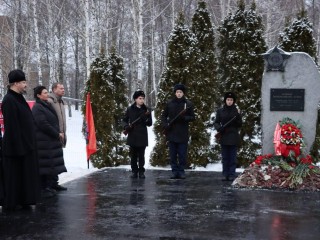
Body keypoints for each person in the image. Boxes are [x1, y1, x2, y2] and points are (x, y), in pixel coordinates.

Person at [0, 69, 40, 210]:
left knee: (24, 177)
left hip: (26, 146)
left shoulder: (18, 98)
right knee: (16, 178)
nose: (26, 85)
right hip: (17, 149)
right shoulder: (9, 100)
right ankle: (15, 203)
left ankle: (24, 200)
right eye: (23, 82)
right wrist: (21, 148)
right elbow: (12, 128)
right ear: (15, 83)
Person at [32, 86, 67, 198]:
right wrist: (56, 134)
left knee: (52, 163)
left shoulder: (46, 105)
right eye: (45, 93)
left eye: (47, 92)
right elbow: (43, 124)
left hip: (50, 141)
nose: (47, 94)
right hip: (44, 141)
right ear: (38, 95)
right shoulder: (37, 107)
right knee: (45, 164)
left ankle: (53, 184)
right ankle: (45, 188)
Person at [161, 84, 195, 179]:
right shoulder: (169, 103)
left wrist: (185, 118)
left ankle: (181, 171)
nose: (179, 94)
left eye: (180, 92)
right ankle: (174, 171)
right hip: (172, 132)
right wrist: (165, 124)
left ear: (183, 93)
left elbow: (193, 117)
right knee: (172, 154)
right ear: (175, 93)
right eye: (177, 92)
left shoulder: (188, 104)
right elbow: (163, 116)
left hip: (183, 132)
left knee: (182, 154)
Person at [123, 90, 152, 179]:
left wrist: (145, 119)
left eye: (143, 98)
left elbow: (150, 123)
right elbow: (124, 120)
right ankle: (134, 171)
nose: (142, 100)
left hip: (142, 135)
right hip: (132, 134)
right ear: (135, 99)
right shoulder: (130, 109)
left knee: (141, 155)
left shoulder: (146, 110)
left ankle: (141, 171)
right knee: (133, 155)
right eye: (140, 98)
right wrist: (126, 126)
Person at [214, 92, 242, 181]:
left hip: (233, 136)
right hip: (224, 136)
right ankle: (225, 174)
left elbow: (239, 124)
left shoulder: (236, 111)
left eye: (231, 100)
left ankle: (232, 174)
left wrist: (238, 116)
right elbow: (216, 122)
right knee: (225, 157)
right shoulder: (220, 111)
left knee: (232, 157)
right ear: (225, 100)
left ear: (233, 101)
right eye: (228, 100)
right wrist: (219, 128)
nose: (229, 101)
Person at [47, 82, 68, 191]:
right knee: (52, 160)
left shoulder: (60, 101)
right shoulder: (50, 101)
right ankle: (50, 184)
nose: (63, 90)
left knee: (57, 159)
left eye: (63, 88)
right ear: (54, 89)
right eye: (61, 88)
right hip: (54, 135)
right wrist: (56, 132)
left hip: (61, 134)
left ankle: (55, 182)